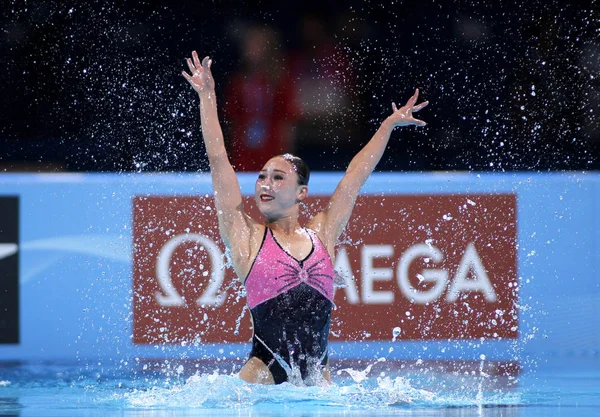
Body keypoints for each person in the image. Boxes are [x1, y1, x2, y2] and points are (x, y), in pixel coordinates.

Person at [182, 51, 428, 385]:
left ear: (301, 193)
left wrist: (387, 125)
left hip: (319, 385)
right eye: (262, 176)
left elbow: (354, 177)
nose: (266, 184)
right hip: (261, 380)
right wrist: (207, 97)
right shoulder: (247, 236)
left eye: (278, 177)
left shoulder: (322, 234)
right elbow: (218, 159)